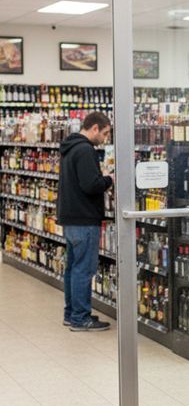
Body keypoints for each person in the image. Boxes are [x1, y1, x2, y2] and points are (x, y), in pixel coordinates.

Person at [57, 111, 114, 331]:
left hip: (70, 219)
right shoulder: (85, 150)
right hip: (84, 219)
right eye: (105, 133)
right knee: (84, 269)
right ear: (94, 129)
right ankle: (81, 318)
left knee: (73, 268)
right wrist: (109, 179)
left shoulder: (69, 148)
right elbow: (91, 185)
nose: (105, 138)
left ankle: (71, 314)